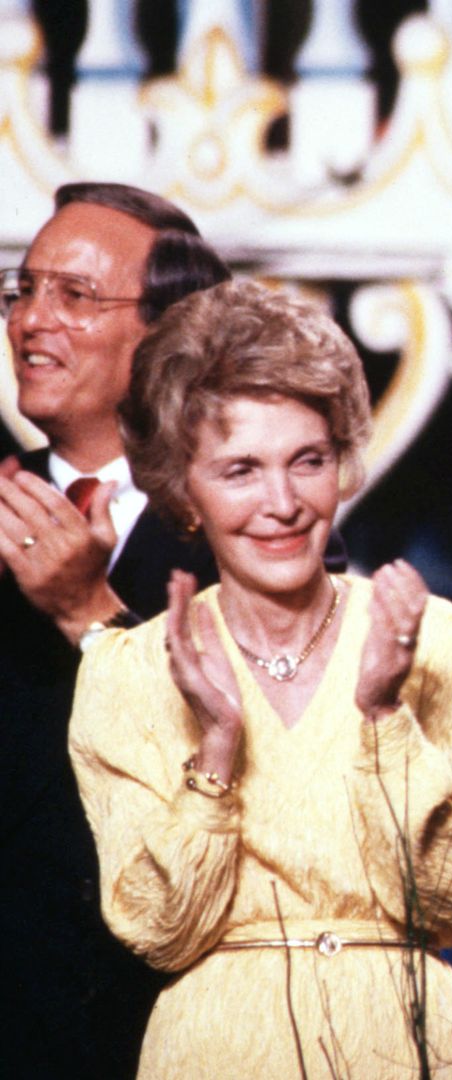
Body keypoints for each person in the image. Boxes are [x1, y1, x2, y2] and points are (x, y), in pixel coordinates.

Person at [67, 280, 452, 1077]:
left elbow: (444, 896)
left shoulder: (448, 641)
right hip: (214, 1051)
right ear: (184, 492)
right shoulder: (126, 674)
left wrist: (382, 715)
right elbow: (161, 932)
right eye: (240, 470)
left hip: (405, 1045)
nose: (283, 503)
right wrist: (217, 750)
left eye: (308, 461)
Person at [0, 182, 229, 1077]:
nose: (30, 321)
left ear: (170, 335)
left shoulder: (248, 526)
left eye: (76, 296)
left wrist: (88, 612)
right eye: (23, 290)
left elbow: (254, 761)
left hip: (151, 1020)